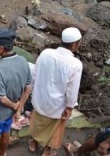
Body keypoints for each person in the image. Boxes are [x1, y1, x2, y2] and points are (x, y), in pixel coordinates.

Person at [28, 27, 83, 156]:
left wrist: (33, 92)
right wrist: (69, 107)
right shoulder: (75, 64)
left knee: (38, 123)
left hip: (40, 100)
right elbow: (72, 90)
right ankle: (47, 150)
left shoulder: (46, 53)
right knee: (56, 128)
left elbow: (35, 75)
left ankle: (34, 142)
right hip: (56, 106)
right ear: (74, 44)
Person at [0, 28, 32, 156]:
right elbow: (28, 88)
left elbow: (2, 99)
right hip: (11, 112)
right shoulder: (23, 61)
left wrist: (15, 105)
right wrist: (18, 108)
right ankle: (2, 154)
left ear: (1, 48)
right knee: (5, 132)